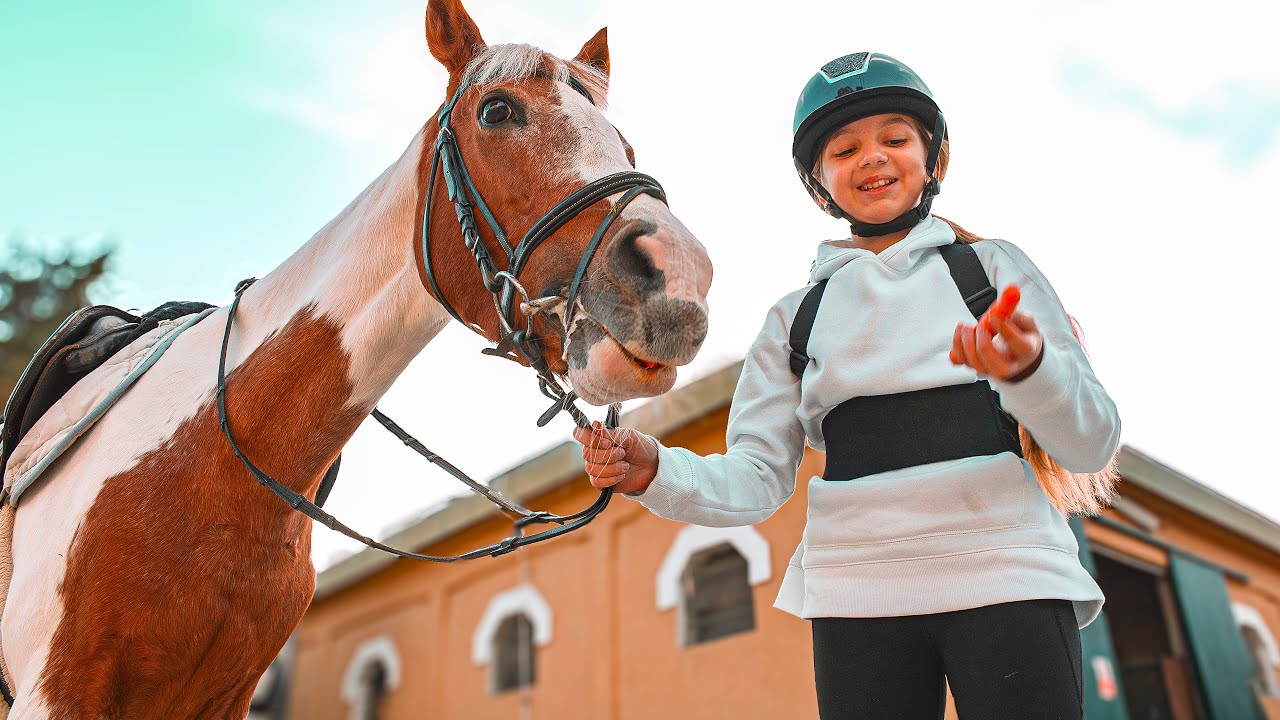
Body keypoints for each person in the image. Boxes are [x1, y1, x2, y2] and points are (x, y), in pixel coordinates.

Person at [573, 52, 1120, 719]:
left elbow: (1092, 444)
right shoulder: (794, 318)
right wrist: (656, 469)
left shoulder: (992, 270)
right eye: (845, 148)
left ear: (934, 160)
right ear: (819, 185)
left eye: (895, 139)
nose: (873, 157)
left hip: (1010, 577)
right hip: (857, 595)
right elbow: (756, 477)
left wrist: (1030, 373)